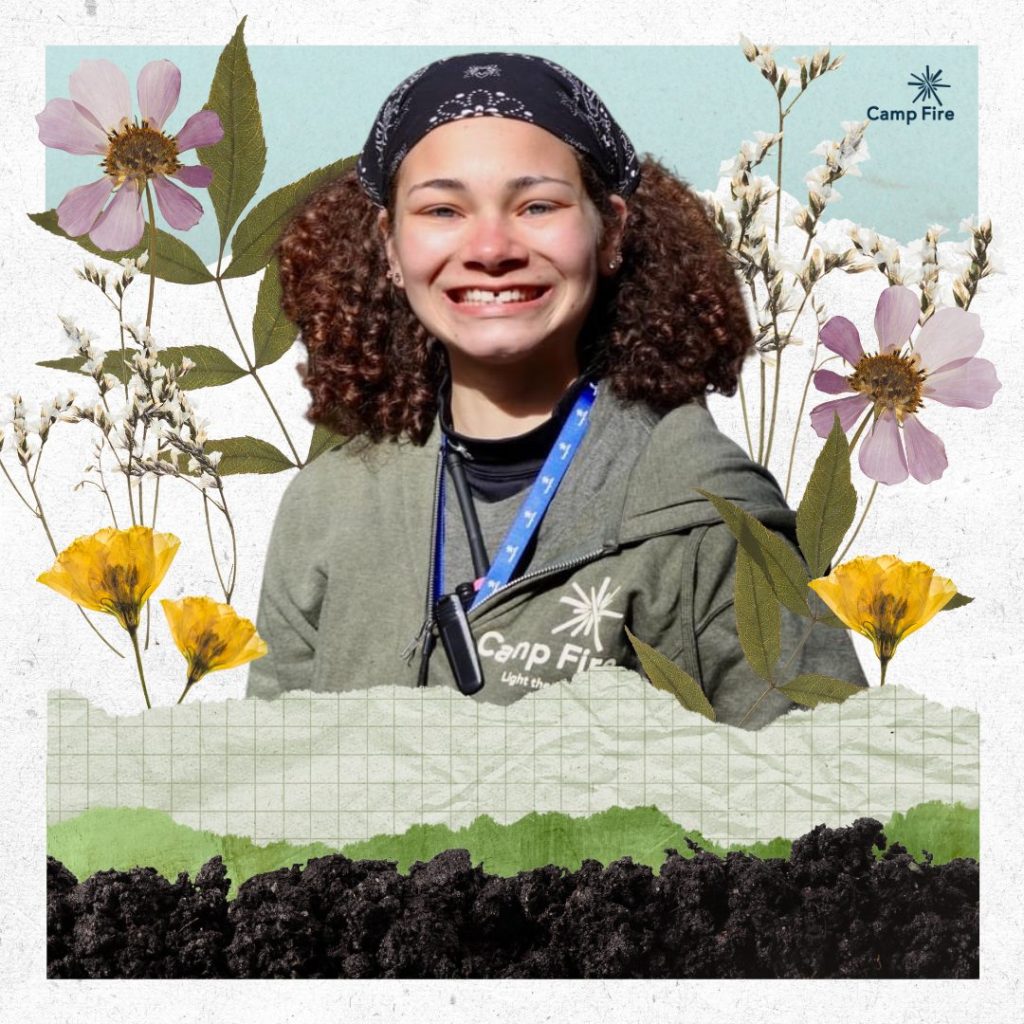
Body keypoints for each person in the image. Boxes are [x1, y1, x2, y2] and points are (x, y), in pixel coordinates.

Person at [247, 52, 866, 728]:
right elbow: (270, 786)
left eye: (537, 204)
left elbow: (838, 792)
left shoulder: (709, 513)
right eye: (443, 209)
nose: (490, 247)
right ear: (391, 247)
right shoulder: (325, 509)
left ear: (612, 231)